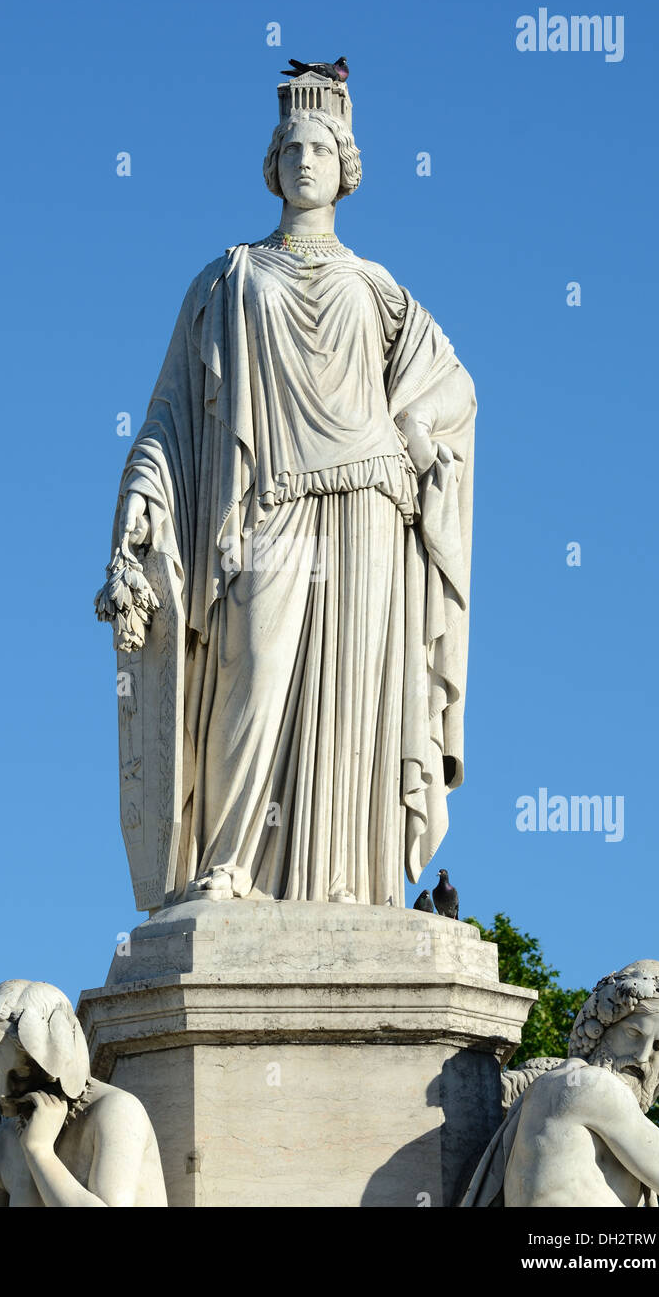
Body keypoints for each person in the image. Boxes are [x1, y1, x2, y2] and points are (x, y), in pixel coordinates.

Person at [107, 71, 476, 908]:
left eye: (322, 149)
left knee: (352, 697)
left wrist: (411, 432)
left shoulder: (378, 289)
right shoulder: (226, 279)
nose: (306, 161)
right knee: (253, 672)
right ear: (270, 167)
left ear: (347, 168)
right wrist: (144, 487)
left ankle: (349, 879)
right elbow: (169, 410)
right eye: (292, 149)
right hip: (263, 505)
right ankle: (229, 862)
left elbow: (453, 387)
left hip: (368, 507)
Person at [461, 960, 659, 1207]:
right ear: (602, 1031)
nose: (642, 1056)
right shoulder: (593, 1086)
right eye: (634, 1034)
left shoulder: (553, 1087)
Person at [0, 980, 167, 1207]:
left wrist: (40, 1152)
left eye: (22, 1074)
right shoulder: (3, 1143)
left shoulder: (117, 1111)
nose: (3, 1090)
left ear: (52, 1065)